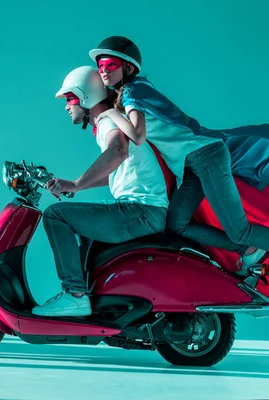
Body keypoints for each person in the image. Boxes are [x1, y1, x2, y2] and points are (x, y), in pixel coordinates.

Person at [87, 36, 269, 304]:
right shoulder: (131, 94)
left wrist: (110, 116)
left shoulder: (133, 92)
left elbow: (136, 135)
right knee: (177, 224)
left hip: (206, 157)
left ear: (129, 68)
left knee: (238, 229)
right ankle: (248, 250)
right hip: (191, 167)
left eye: (110, 64)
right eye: (100, 64)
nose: (103, 69)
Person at [31, 66, 169, 317]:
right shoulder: (110, 122)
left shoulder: (107, 120)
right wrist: (73, 182)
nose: (66, 106)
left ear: (86, 97)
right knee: (81, 231)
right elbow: (115, 171)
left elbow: (118, 152)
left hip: (140, 210)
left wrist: (76, 184)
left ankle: (74, 295)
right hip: (145, 210)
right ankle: (90, 298)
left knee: (56, 215)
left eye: (70, 99)